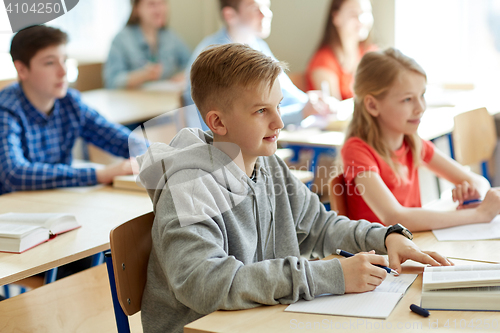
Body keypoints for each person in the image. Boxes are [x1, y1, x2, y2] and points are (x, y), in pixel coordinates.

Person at [136, 43, 451, 333]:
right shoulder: (190, 185)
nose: (279, 123)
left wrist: (385, 237)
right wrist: (330, 276)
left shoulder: (265, 162)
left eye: (279, 107)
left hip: (261, 318)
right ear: (218, 123)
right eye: (262, 111)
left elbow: (319, 224)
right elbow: (208, 284)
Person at [341, 48, 500, 231]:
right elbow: (394, 217)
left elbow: (479, 181)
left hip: (412, 245)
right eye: (407, 99)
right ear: (372, 105)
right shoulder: (356, 151)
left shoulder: (412, 142)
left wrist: (473, 193)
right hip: (378, 255)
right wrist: (477, 215)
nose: (420, 107)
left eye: (422, 95)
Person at [0, 25, 141, 195]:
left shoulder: (70, 102)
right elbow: (14, 173)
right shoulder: (6, 110)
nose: (63, 71)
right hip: (12, 210)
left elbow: (122, 140)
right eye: (50, 63)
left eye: (65, 60)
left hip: (58, 203)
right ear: (21, 69)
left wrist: (151, 157)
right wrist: (100, 174)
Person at [182, 0, 332, 129]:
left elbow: (287, 93)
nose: (266, 14)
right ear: (230, 15)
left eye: (266, 5)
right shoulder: (219, 59)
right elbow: (245, 122)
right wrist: (302, 112)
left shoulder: (257, 45)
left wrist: (314, 102)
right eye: (255, 8)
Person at [103, 0, 191, 89]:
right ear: (136, 9)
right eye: (151, 4)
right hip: (133, 101)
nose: (159, 10)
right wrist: (144, 75)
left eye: (162, 3)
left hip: (164, 99)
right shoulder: (121, 40)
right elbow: (112, 82)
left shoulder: (170, 37)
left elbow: (191, 63)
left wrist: (183, 75)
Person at [305, 0, 376, 100]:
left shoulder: (372, 53)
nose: (362, 20)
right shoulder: (323, 61)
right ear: (336, 17)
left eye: (366, 12)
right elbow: (334, 111)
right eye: (353, 14)